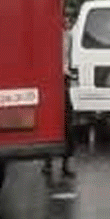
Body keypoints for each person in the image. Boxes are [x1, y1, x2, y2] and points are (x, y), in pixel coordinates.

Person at [45, 11, 76, 177]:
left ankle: (65, 163)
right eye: (65, 18)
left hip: (63, 79)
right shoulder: (50, 35)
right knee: (51, 121)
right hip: (51, 81)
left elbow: (68, 58)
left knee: (67, 122)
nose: (67, 22)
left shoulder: (69, 36)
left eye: (69, 19)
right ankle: (48, 162)